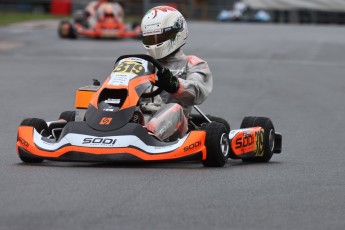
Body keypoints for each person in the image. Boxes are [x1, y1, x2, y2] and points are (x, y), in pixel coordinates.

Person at [140, 6, 213, 141]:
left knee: (174, 108)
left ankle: (147, 138)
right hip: (137, 117)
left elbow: (198, 92)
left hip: (174, 125)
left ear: (177, 34)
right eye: (151, 39)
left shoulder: (192, 63)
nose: (155, 43)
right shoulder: (140, 63)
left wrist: (175, 84)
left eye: (160, 37)